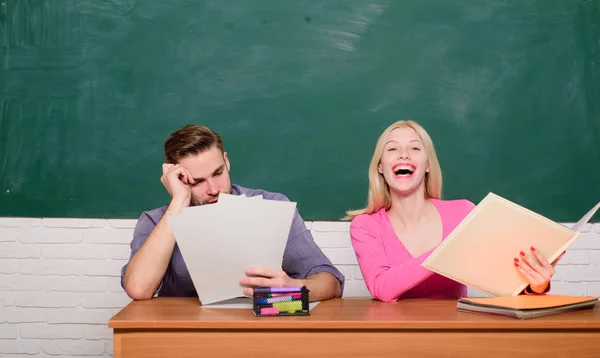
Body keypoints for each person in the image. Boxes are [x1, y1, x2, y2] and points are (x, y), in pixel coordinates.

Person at [121, 124, 344, 302]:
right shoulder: (156, 222)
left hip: (258, 333)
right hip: (184, 338)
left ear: (226, 161)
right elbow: (139, 289)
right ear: (177, 179)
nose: (213, 189)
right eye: (197, 181)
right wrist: (179, 201)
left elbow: (331, 283)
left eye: (217, 173)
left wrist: (293, 287)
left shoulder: (271, 206)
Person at [345, 120, 561, 302]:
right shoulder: (365, 225)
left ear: (428, 165)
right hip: (395, 342)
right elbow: (382, 288)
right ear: (380, 167)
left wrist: (537, 285)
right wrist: (450, 248)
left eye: (415, 148)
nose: (404, 155)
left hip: (457, 338)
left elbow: (502, 279)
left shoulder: (463, 214)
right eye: (392, 149)